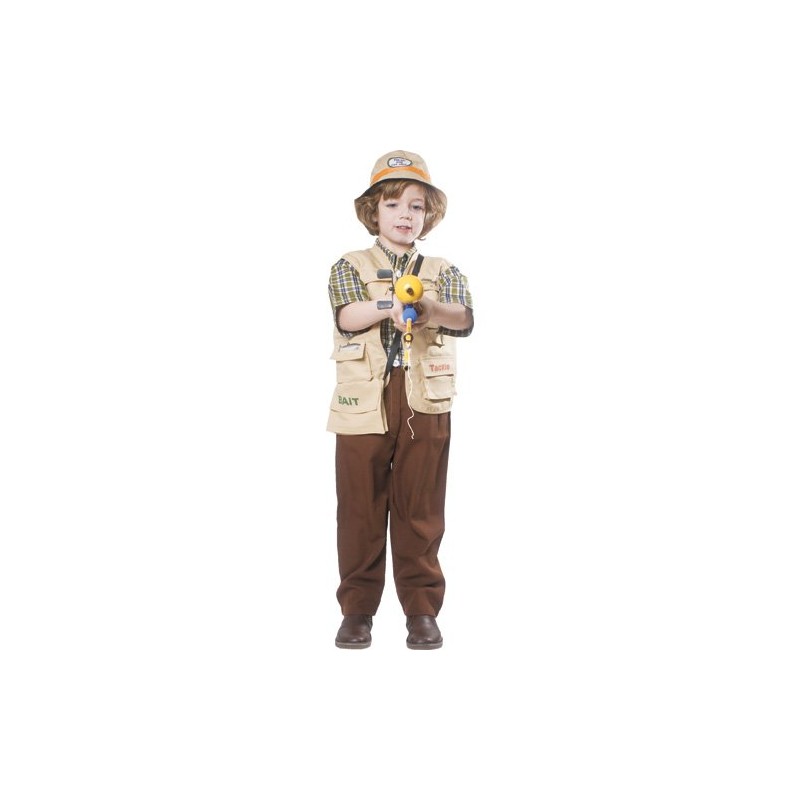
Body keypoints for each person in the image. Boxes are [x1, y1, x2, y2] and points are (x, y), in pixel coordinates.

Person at [326, 150, 474, 650]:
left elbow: (463, 317)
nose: (405, 215)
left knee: (421, 505)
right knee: (359, 506)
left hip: (423, 400)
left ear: (429, 214)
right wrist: (389, 304)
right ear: (374, 211)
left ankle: (421, 610)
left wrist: (428, 307)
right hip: (364, 400)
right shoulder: (349, 265)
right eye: (392, 205)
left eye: (416, 206)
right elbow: (347, 316)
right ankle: (357, 611)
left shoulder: (443, 270)